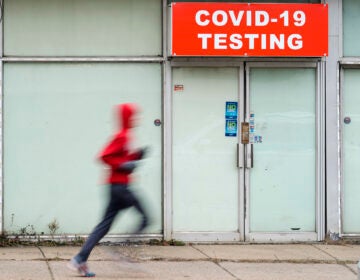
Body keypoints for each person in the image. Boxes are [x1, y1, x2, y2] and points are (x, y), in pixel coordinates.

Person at [68, 103, 149, 277]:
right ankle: (122, 253)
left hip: (117, 187)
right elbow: (104, 156)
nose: (137, 119)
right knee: (146, 217)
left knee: (104, 226)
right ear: (127, 117)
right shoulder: (122, 136)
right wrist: (124, 164)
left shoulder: (128, 136)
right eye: (134, 116)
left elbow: (124, 160)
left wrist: (137, 156)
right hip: (120, 188)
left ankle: (80, 258)